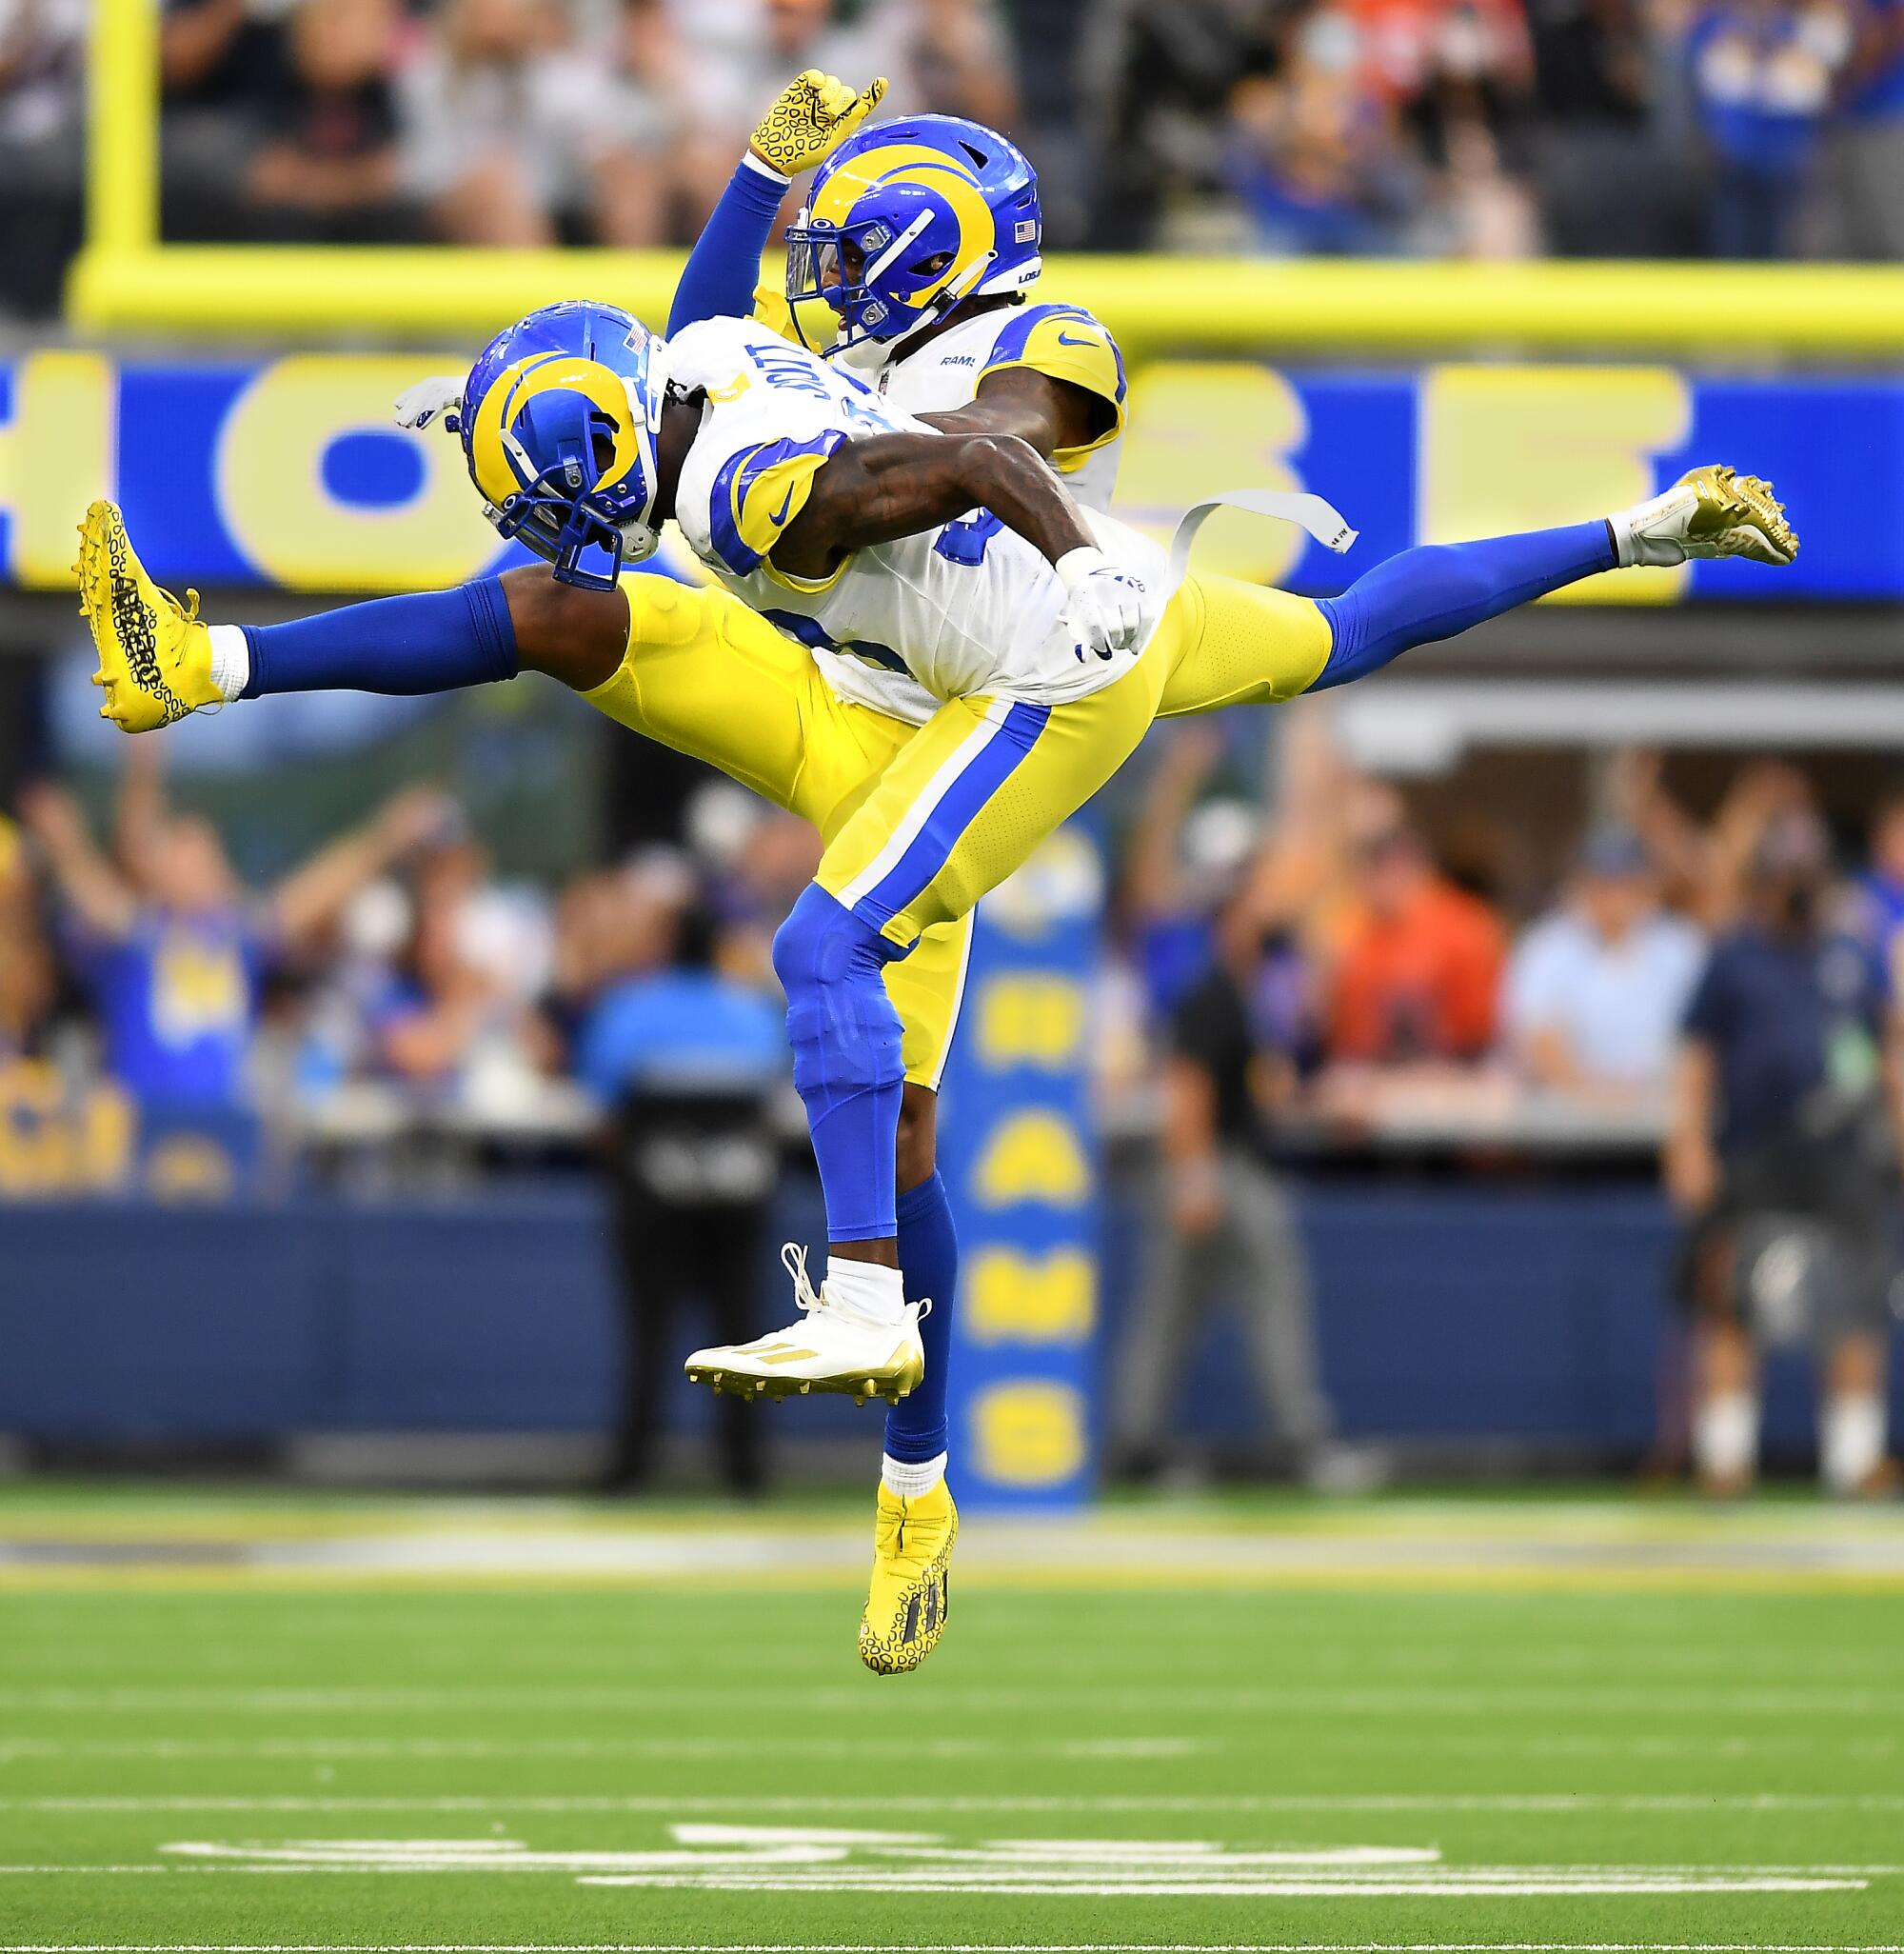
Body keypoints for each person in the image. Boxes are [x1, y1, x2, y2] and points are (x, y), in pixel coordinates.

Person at [78, 83, 1798, 1673]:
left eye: (847, 247)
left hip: (1035, 674)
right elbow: (698, 338)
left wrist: (1031, 541)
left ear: (932, 249)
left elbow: (986, 438)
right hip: (907, 680)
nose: (821, 279)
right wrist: (1625, 538)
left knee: (837, 986)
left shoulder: (927, 395)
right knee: (570, 621)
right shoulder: (736, 378)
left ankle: (880, 1346)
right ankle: (203, 665)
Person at [1664, 810, 1900, 1498]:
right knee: (1733, 1300)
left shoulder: (1851, 954)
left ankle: (1855, 1459)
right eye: (1784, 872)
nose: (1795, 885)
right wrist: (1687, 1141)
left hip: (1842, 1153)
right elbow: (1698, 1056)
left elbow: (1886, 1050)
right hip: (1755, 1150)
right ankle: (1726, 1455)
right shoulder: (1733, 955)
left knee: (1855, 1302)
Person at [578, 899, 785, 1496]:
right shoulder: (754, 1013)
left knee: (648, 1329)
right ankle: (745, 1472)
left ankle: (633, 1467)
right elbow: (779, 1089)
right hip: (740, 1192)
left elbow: (601, 1100)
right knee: (743, 1330)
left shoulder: (629, 1011)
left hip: (652, 1188)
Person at [1504, 827, 1706, 1103]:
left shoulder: (1681, 946)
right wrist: (1590, 1092)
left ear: (1647, 886)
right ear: (1580, 885)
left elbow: (1702, 1040)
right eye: (1602, 884)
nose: (1614, 897)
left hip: (1665, 1109)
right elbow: (1540, 1037)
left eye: (1625, 883)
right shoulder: (1548, 945)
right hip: (1568, 1118)